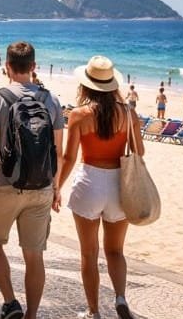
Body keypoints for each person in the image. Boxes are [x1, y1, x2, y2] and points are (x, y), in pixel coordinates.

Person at [0, 41, 65, 319]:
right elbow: (58, 150)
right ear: (34, 67)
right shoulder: (52, 100)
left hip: (5, 183)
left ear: (7, 67)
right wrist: (56, 187)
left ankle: (11, 302)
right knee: (34, 255)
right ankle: (32, 315)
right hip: (42, 186)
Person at [59, 56, 142, 319]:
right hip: (119, 185)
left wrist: (56, 188)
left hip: (89, 183)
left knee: (89, 253)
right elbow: (139, 151)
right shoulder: (128, 113)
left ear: (87, 85)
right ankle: (120, 297)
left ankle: (93, 311)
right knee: (116, 250)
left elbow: (69, 157)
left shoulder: (79, 115)